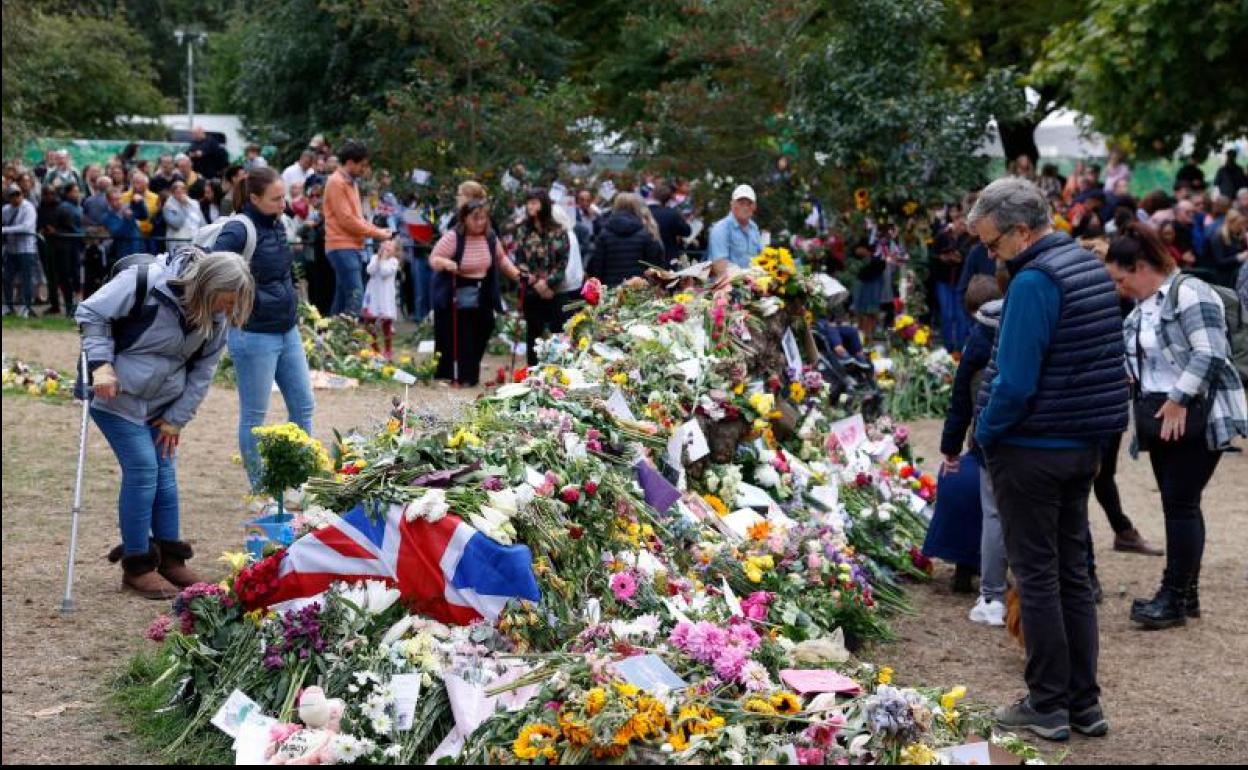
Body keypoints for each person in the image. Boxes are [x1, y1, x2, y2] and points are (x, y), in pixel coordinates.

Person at [969, 176, 1128, 742]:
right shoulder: (1086, 266)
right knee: (1071, 575)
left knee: (1037, 578)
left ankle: (1048, 703)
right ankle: (1084, 703)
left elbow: (1014, 381)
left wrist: (986, 432)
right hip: (1080, 444)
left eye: (993, 243)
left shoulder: (1036, 279)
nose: (992, 255)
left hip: (1033, 448)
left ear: (1021, 229)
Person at [77, 249, 254, 599]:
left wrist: (177, 418)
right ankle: (137, 566)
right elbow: (91, 311)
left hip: (163, 406)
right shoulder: (144, 281)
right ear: (207, 286)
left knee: (165, 476)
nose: (228, 310)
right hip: (116, 396)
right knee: (144, 470)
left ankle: (171, 560)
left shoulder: (218, 315)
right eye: (227, 300)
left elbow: (204, 370)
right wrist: (100, 365)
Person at [1105, 223, 1247, 629]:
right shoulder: (1145, 305)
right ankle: (1186, 594)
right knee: (1180, 504)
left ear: (1141, 266)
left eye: (1120, 278)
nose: (1118, 288)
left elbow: (1211, 353)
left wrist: (1178, 398)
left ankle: (1173, 596)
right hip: (1161, 416)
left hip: (1197, 415)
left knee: (1179, 504)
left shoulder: (1191, 293)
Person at [214, 167, 316, 492]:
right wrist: (241, 302)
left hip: (287, 330)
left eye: (284, 197)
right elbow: (212, 268)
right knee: (255, 416)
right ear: (255, 198)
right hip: (254, 333)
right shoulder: (238, 229)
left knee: (304, 406)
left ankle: (297, 482)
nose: (283, 204)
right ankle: (261, 489)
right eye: (276, 199)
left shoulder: (277, 223)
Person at [933, 275, 1002, 607]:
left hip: (984, 436)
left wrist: (951, 447)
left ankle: (969, 567)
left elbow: (961, 398)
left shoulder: (977, 340)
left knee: (974, 495)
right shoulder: (1019, 325)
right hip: (1019, 433)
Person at [429, 196, 521, 386]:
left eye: (483, 218)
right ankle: (464, 376)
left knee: (485, 326)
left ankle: (470, 370)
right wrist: (447, 263)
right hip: (458, 289)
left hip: (483, 289)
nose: (480, 222)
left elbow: (501, 259)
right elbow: (434, 258)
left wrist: (518, 275)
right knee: (464, 333)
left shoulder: (490, 236)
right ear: (464, 219)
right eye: (475, 218)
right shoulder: (453, 237)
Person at [324, 141, 392, 316]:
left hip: (350, 246)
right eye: (362, 165)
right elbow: (347, 220)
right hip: (342, 246)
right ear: (350, 163)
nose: (364, 169)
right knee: (356, 296)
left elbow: (356, 218)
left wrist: (377, 230)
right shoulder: (337, 182)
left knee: (342, 299)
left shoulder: (350, 182)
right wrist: (377, 233)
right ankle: (350, 333)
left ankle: (330, 332)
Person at [513, 188, 572, 366]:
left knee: (557, 336)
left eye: (534, 202)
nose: (530, 206)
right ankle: (533, 371)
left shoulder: (558, 231)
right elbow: (519, 261)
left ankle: (557, 372)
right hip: (532, 291)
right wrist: (536, 282)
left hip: (555, 291)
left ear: (544, 205)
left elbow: (563, 262)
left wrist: (548, 283)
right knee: (534, 335)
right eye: (528, 202)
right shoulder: (522, 231)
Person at [586, 192, 665, 288]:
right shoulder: (645, 233)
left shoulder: (604, 234)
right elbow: (654, 264)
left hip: (610, 289)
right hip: (639, 289)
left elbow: (597, 266)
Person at [3, 184, 39, 317]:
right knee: (6, 278)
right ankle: (8, 306)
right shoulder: (6, 209)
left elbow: (26, 227)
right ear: (8, 197)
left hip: (26, 249)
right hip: (11, 249)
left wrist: (5, 230)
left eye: (17, 194)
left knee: (26, 279)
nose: (15, 197)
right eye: (12, 195)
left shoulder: (29, 208)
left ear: (22, 194)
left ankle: (26, 306)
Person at [48, 182, 85, 316]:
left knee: (75, 276)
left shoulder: (77, 207)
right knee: (67, 277)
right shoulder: (64, 207)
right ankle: (70, 306)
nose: (77, 194)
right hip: (65, 247)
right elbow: (71, 227)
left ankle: (75, 305)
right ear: (68, 193)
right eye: (74, 191)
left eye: (78, 191)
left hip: (74, 245)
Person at [362, 238, 401, 359]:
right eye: (385, 244)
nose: (386, 247)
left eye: (390, 245)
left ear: (395, 251)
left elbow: (384, 272)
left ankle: (388, 350)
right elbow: (369, 270)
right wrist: (378, 259)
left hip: (385, 297)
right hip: (373, 295)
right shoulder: (375, 258)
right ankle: (375, 349)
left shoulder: (393, 261)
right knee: (369, 324)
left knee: (386, 324)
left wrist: (383, 259)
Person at [706, 185, 763, 269]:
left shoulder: (754, 227)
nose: (745, 207)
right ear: (732, 204)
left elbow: (762, 257)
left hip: (752, 276)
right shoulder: (720, 229)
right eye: (741, 203)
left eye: (749, 204)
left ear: (754, 206)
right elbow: (720, 268)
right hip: (727, 277)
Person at [648, 183, 692, 266]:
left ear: (654, 195)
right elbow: (687, 231)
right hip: (669, 257)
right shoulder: (673, 213)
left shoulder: (644, 212)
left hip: (648, 256)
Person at [101, 188, 147, 262]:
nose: (119, 202)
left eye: (120, 198)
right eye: (115, 199)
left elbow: (144, 216)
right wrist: (127, 219)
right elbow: (118, 233)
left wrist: (140, 202)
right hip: (123, 254)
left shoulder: (129, 207)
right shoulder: (107, 217)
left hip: (138, 250)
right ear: (109, 201)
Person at [1206, 210, 1246, 288]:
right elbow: (1220, 262)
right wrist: (1238, 258)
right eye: (1238, 224)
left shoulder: (1238, 234)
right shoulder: (1218, 237)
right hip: (1222, 276)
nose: (1241, 227)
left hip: (1235, 272)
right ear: (1230, 223)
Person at [122, 173, 159, 251]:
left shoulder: (155, 198)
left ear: (146, 184)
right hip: (129, 235)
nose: (136, 185)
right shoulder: (123, 196)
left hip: (148, 235)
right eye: (134, 182)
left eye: (139, 183)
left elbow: (154, 215)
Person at [163, 180, 204, 246]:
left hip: (194, 240)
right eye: (178, 192)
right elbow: (177, 224)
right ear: (173, 193)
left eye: (183, 191)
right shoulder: (168, 206)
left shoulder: (194, 203)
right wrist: (183, 206)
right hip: (177, 242)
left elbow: (202, 223)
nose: (181, 194)